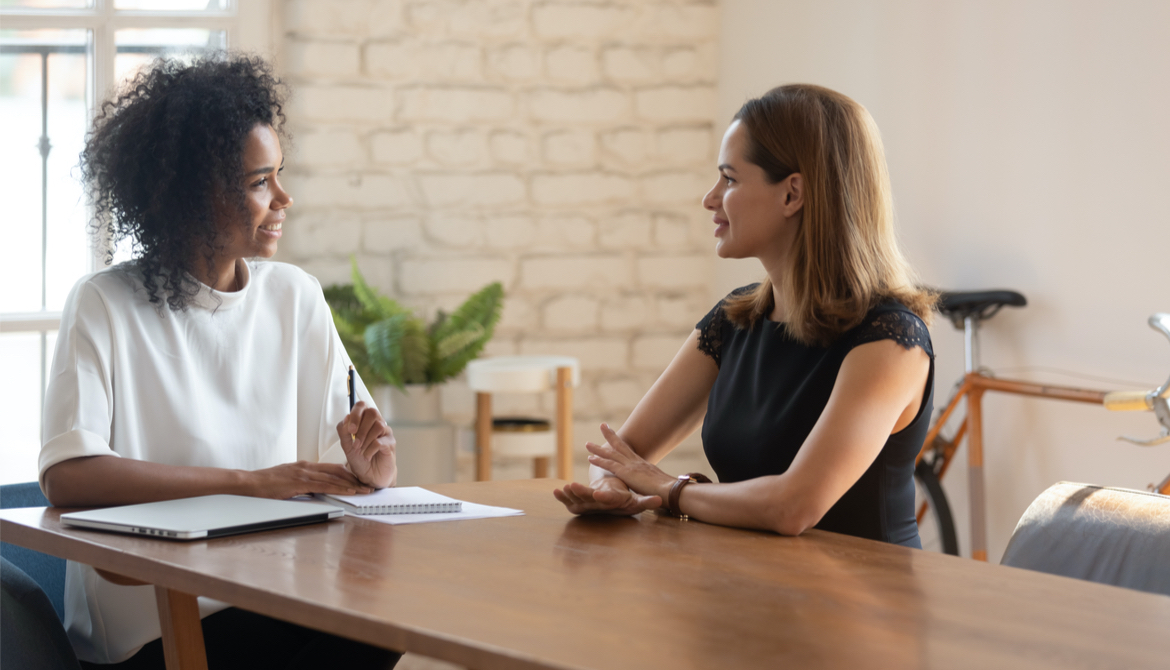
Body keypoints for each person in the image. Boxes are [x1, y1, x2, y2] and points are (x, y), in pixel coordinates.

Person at [39, 54, 400, 668]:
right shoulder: (104, 303)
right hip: (151, 628)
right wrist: (252, 485)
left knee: (386, 625)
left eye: (279, 174)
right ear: (194, 195)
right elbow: (69, 477)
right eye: (261, 182)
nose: (285, 197)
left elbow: (355, 462)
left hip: (278, 594)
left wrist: (375, 469)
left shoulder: (295, 297)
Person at [554, 84, 936, 548]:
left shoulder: (890, 340)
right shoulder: (734, 320)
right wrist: (612, 489)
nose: (710, 199)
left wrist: (667, 489)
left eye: (730, 179)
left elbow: (792, 506)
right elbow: (621, 454)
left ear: (792, 194)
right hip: (753, 590)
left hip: (862, 610)